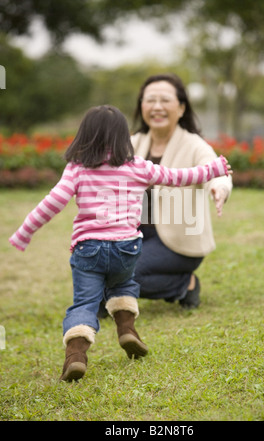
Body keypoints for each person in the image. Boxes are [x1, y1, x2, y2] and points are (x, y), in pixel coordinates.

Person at [9, 105, 231, 382]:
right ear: (123, 137)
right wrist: (215, 168)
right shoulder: (137, 166)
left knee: (85, 303)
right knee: (124, 285)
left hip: (88, 248)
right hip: (127, 247)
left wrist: (25, 232)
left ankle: (76, 355)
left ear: (84, 136)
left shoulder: (77, 168)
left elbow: (53, 202)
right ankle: (127, 329)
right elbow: (178, 177)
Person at [130, 73, 233, 309]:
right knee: (98, 263)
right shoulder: (133, 142)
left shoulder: (194, 144)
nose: (157, 107)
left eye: (165, 100)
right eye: (150, 100)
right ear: (141, 106)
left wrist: (220, 187)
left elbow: (217, 171)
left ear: (181, 107)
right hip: (138, 235)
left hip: (178, 242)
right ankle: (111, 295)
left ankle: (185, 285)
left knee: (126, 274)